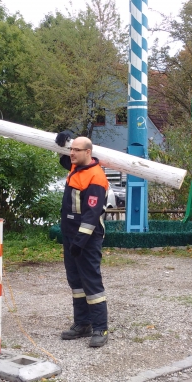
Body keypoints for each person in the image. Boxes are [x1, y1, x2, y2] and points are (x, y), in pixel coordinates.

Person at [55, 132, 109, 348]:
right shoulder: (76, 167)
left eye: (76, 150)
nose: (71, 153)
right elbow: (63, 159)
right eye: (71, 149)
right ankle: (82, 323)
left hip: (87, 239)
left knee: (91, 282)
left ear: (88, 152)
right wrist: (62, 139)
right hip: (71, 236)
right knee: (76, 283)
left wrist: (79, 242)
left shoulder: (95, 177)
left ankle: (100, 328)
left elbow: (91, 215)